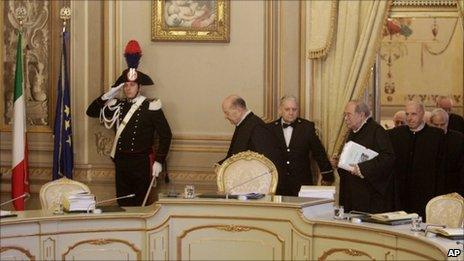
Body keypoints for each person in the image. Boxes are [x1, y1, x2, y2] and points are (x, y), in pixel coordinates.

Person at [86, 40, 172, 206]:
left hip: (141, 163)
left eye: (132, 85)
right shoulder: (118, 104)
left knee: (141, 205)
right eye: (125, 85)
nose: (128, 88)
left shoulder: (151, 106)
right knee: (123, 204)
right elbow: (91, 112)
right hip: (122, 162)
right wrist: (109, 94)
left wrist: (159, 161)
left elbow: (166, 135)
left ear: (139, 87)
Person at [267, 96, 333, 196]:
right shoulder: (270, 129)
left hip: (302, 183)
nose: (291, 112)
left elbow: (319, 152)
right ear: (280, 110)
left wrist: (327, 175)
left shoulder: (307, 127)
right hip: (278, 183)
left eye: (294, 109)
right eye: (287, 109)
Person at [336, 101, 395, 213]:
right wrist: (340, 161)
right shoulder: (353, 131)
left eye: (349, 114)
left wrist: (362, 168)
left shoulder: (377, 131)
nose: (345, 118)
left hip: (369, 196)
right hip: (352, 193)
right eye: (345, 114)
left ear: (361, 115)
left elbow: (388, 158)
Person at [388, 101, 444, 218]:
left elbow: (441, 167)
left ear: (422, 114)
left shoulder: (436, 136)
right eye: (407, 114)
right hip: (400, 196)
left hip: (425, 196)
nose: (409, 118)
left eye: (413, 114)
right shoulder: (395, 134)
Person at [218, 95, 282, 171]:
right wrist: (220, 165)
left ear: (238, 110)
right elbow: (235, 155)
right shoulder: (244, 124)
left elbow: (266, 162)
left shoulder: (257, 127)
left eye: (227, 113)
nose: (225, 117)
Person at [429, 108, 464, 196]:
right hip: (431, 188)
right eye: (436, 125)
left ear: (447, 123)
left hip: (453, 188)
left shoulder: (458, 139)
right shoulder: (425, 139)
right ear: (430, 124)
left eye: (442, 124)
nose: (440, 128)